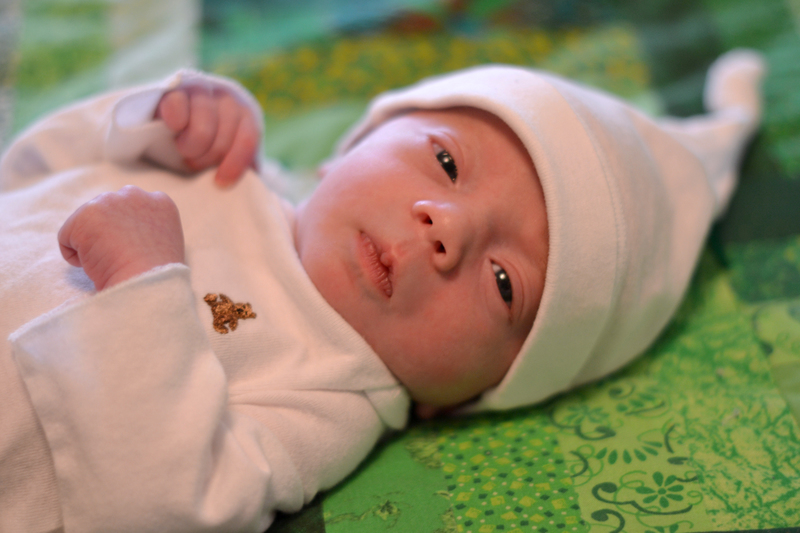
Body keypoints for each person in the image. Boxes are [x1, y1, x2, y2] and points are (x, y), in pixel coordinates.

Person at [0, 49, 764, 532]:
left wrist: (140, 288)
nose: (449, 226)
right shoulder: (226, 167)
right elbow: (31, 172)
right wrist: (160, 120)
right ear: (355, 144)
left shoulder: (328, 392)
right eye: (447, 162)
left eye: (505, 282)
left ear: (466, 397)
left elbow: (158, 509)